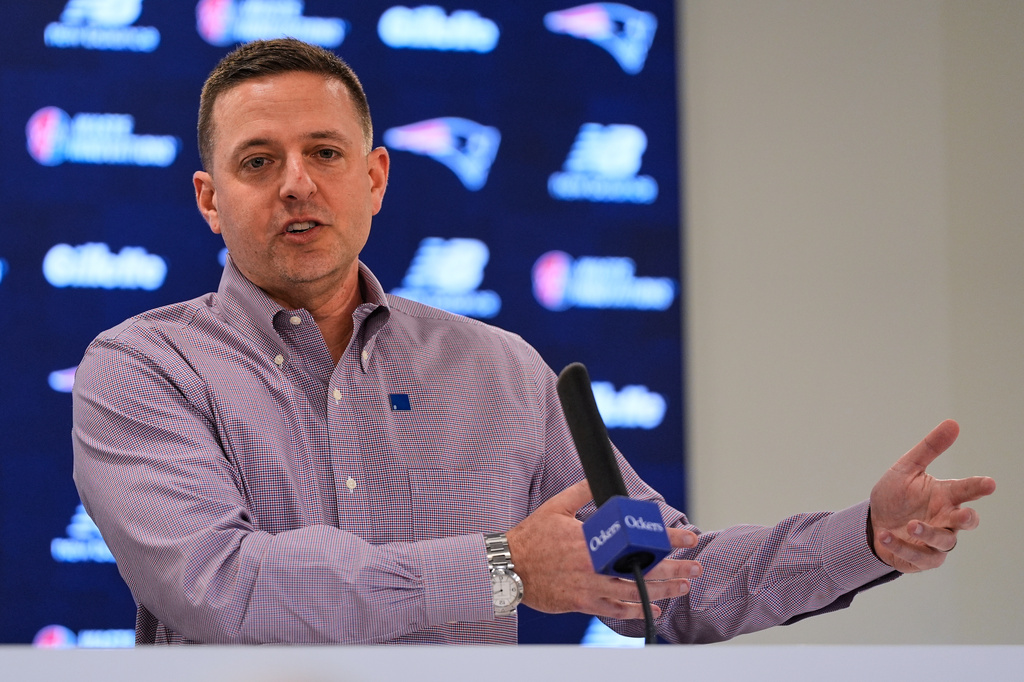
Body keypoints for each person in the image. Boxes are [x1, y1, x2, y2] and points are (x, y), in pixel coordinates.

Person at [72, 38, 996, 645]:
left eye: (325, 153)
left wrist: (867, 537)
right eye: (258, 162)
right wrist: (504, 568)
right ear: (208, 199)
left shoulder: (499, 370)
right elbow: (222, 588)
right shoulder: (143, 370)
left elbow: (663, 574)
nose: (297, 185)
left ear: (376, 177)